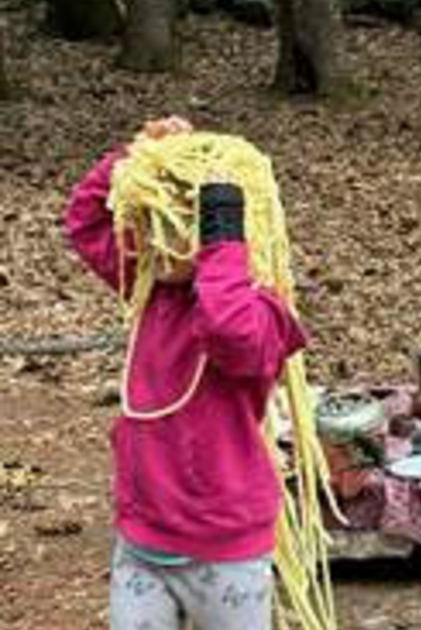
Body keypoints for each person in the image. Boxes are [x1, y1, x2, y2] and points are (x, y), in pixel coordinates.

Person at [65, 116, 308, 629]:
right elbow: (85, 221)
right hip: (143, 543)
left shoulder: (262, 310)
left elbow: (231, 334)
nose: (156, 239)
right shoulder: (153, 292)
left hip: (226, 551)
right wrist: (134, 155)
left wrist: (220, 227)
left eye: (174, 224)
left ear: (227, 228)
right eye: (148, 222)